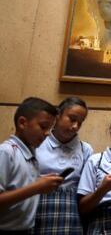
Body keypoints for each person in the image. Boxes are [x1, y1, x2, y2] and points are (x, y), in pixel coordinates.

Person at [30, 97, 93, 234]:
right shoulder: (38, 142)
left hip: (71, 212)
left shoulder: (85, 149)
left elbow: (87, 187)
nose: (75, 126)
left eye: (80, 123)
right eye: (72, 119)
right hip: (37, 206)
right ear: (58, 115)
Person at [0, 97, 63, 233]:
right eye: (43, 126)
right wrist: (36, 187)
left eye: (50, 129)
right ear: (22, 123)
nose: (47, 133)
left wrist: (41, 182)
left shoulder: (31, 153)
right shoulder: (6, 152)